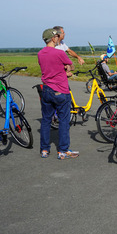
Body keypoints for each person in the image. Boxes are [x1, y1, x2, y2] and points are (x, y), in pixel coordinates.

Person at [38, 28, 79, 160]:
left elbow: (49, 69)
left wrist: (62, 70)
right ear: (53, 38)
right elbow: (71, 66)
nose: (58, 38)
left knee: (45, 120)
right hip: (60, 89)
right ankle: (63, 150)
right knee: (63, 121)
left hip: (46, 89)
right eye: (57, 36)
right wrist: (67, 70)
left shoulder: (40, 54)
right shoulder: (59, 53)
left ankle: (44, 149)